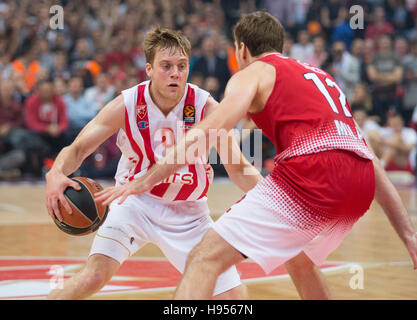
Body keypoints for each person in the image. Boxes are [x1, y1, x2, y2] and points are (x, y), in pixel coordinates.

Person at [96, 12, 417, 300]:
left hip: (314, 174)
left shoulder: (252, 73)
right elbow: (367, 156)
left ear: (242, 50)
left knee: (203, 257)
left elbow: (207, 131)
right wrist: (409, 234)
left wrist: (146, 180)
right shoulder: (322, 78)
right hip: (360, 182)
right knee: (299, 259)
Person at [46, 27, 256, 300]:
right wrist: (55, 174)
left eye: (182, 66)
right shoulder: (127, 104)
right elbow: (78, 148)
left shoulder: (206, 107)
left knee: (234, 300)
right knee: (94, 276)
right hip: (133, 202)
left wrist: (276, 201)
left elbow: (239, 168)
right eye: (166, 66)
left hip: (188, 214)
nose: (175, 73)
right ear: (149, 69)